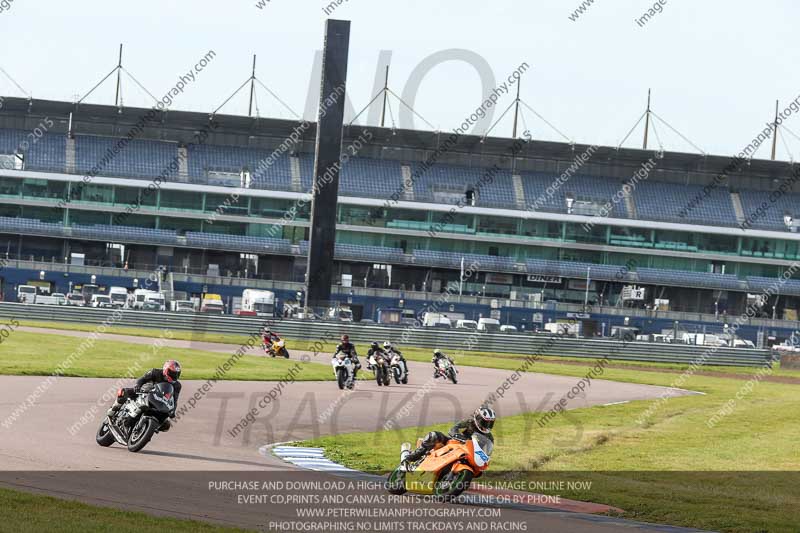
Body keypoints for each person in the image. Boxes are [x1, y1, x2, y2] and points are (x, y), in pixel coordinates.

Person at [403, 407, 496, 464]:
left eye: (490, 423)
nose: (486, 426)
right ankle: (414, 455)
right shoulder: (469, 423)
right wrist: (457, 435)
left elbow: (487, 452)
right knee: (434, 435)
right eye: (484, 422)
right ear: (478, 418)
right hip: (454, 443)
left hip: (468, 453)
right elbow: (454, 428)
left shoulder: (489, 437)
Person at [107, 360, 182, 428]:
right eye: (172, 373)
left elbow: (174, 399)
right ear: (166, 369)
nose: (174, 376)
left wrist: (173, 411)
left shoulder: (177, 385)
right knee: (124, 392)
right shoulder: (155, 372)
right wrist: (138, 386)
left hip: (158, 401)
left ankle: (145, 428)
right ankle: (113, 409)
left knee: (166, 425)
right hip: (145, 392)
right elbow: (142, 379)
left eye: (176, 374)